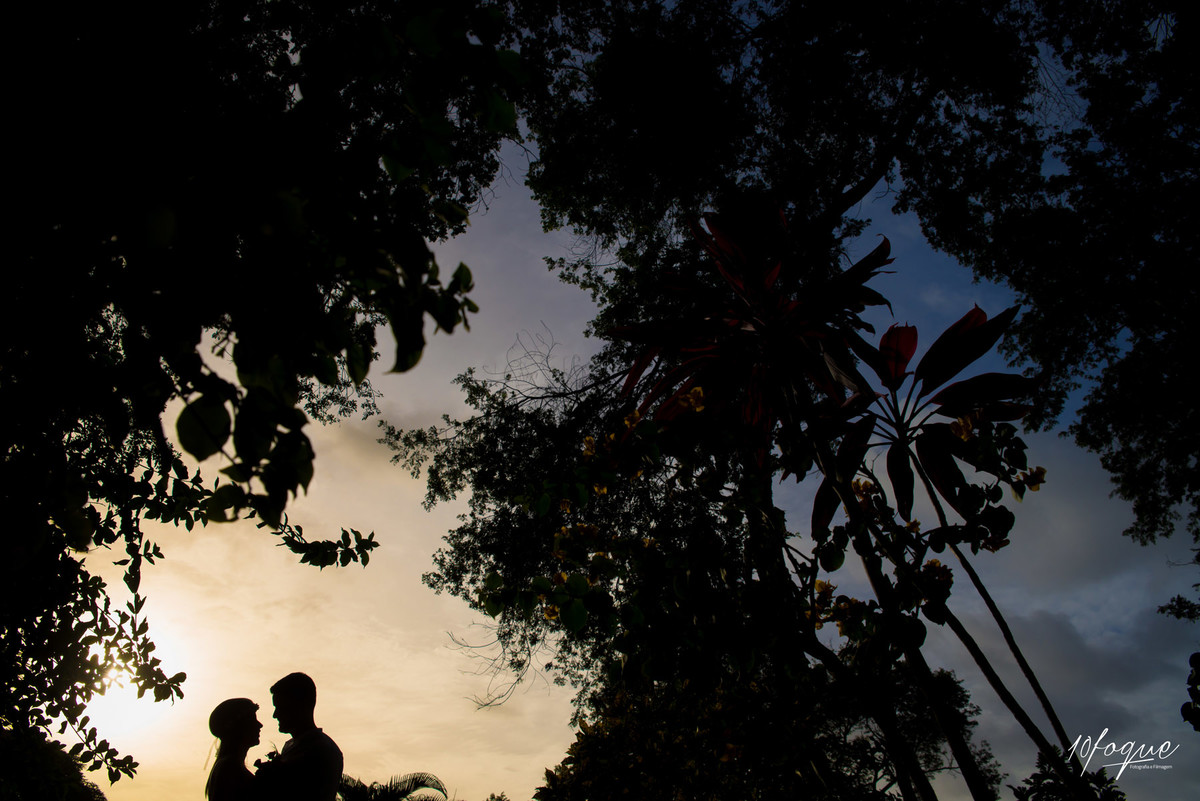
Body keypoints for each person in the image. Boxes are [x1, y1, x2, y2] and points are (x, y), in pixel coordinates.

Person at [256, 672, 343, 801]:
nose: (275, 715)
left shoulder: (321, 749)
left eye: (280, 707)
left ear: (299, 706)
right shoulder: (293, 746)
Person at [205, 698, 263, 801]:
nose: (259, 725)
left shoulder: (226, 766)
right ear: (240, 727)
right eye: (253, 720)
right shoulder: (229, 767)